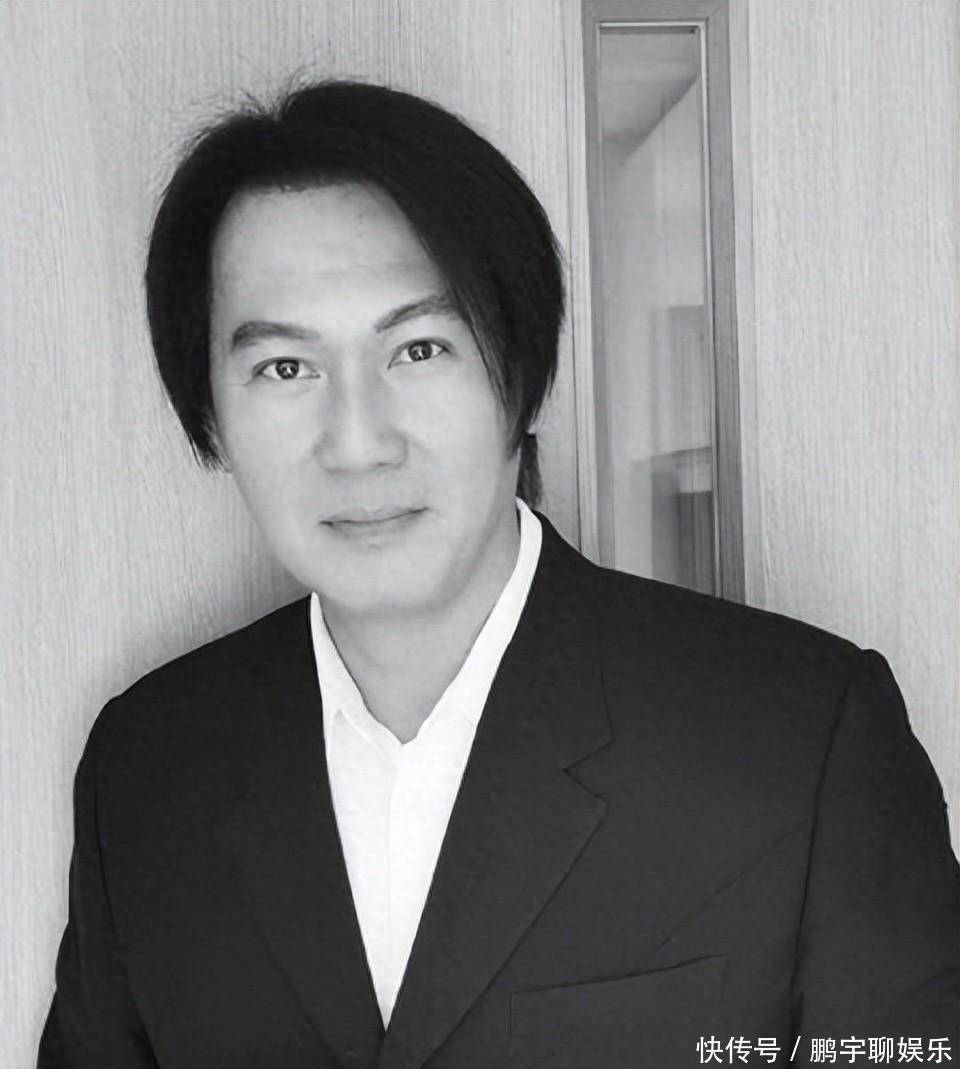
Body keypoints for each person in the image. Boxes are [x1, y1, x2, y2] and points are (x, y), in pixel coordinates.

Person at [38, 80, 959, 1069]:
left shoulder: (800, 738)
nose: (358, 442)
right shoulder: (147, 771)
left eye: (419, 348)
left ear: (520, 376)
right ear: (212, 417)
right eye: (286, 369)